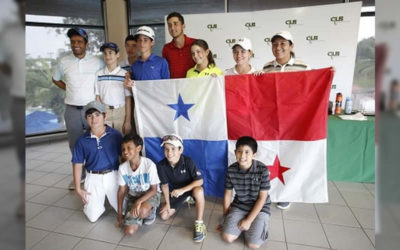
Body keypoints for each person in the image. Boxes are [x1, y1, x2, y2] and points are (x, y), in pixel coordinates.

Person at [261, 31, 309, 210]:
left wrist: (327, 74)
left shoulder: (303, 66)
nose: (278, 47)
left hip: (294, 119)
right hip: (272, 119)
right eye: (275, 44)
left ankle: (287, 193)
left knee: (290, 155)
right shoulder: (266, 67)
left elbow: (310, 89)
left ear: (291, 46)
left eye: (283, 43)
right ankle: (272, 189)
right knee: (272, 153)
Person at [52, 27, 104, 190]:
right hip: (72, 109)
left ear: (86, 44)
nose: (76, 45)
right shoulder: (64, 61)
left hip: (91, 111)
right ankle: (80, 177)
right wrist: (69, 88)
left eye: (79, 42)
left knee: (96, 142)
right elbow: (56, 79)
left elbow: (104, 77)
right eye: (73, 42)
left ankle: (97, 172)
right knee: (75, 145)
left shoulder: (97, 61)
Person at [72, 101, 122, 222]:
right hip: (93, 176)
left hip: (112, 174)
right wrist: (78, 188)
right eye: (90, 116)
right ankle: (98, 202)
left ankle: (110, 198)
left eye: (97, 115)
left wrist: (126, 182)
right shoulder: (81, 141)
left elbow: (124, 158)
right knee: (92, 217)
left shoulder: (115, 135)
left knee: (124, 211)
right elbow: (78, 164)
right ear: (86, 118)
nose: (94, 119)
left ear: (105, 116)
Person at [220, 136, 271, 249]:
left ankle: (258, 224)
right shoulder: (231, 169)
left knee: (252, 244)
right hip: (240, 205)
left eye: (247, 152)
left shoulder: (263, 170)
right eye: (239, 151)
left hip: (260, 207)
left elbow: (262, 198)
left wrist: (248, 220)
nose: (242, 156)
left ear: (254, 154)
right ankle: (244, 225)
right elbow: (228, 193)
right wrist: (225, 216)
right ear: (235, 152)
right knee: (227, 238)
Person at [156, 134, 207, 242]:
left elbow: (200, 180)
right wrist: (168, 204)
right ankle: (186, 200)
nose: (169, 153)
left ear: (181, 149)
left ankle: (199, 224)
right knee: (164, 216)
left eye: (173, 149)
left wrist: (182, 190)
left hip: (191, 189)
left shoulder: (188, 161)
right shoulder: (161, 165)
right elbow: (164, 185)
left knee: (199, 191)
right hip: (178, 192)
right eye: (166, 149)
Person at [116, 134, 161, 235]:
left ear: (139, 148)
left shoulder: (149, 165)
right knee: (129, 231)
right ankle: (139, 214)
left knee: (142, 212)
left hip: (150, 194)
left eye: (129, 148)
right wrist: (119, 214)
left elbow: (154, 189)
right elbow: (121, 191)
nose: (125, 152)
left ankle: (149, 211)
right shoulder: (122, 168)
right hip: (134, 196)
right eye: (123, 149)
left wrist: (139, 202)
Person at [95, 42, 132, 135]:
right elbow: (98, 97)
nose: (107, 56)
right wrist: (100, 116)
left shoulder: (124, 74)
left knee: (121, 141)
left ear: (117, 54)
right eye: (105, 53)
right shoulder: (99, 74)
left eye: (110, 52)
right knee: (107, 141)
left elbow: (128, 99)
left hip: (120, 112)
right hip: (105, 112)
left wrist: (127, 121)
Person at [162, 12, 196, 78]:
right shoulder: (166, 48)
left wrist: (211, 74)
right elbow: (165, 72)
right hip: (175, 87)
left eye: (175, 24)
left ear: (183, 26)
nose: (172, 28)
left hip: (193, 86)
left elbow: (205, 65)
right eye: (169, 25)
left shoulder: (195, 43)